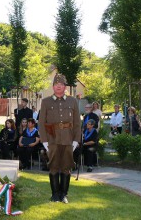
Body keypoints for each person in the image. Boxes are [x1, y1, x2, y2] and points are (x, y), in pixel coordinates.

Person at [38, 74, 81, 204]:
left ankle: (64, 195)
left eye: (61, 84)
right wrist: (44, 141)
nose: (58, 86)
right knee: (53, 167)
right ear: (53, 87)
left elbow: (77, 122)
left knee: (66, 167)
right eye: (56, 84)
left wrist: (75, 140)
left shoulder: (72, 101)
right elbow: (41, 123)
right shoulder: (46, 101)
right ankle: (55, 195)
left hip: (68, 139)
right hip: (52, 140)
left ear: (64, 87)